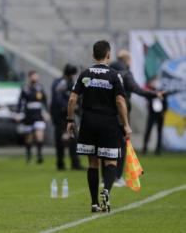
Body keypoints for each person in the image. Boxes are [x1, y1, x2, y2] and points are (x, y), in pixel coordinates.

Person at [67, 40, 131, 213]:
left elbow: (73, 99)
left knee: (93, 162)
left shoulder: (85, 73)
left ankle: (94, 203)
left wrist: (70, 120)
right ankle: (106, 191)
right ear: (108, 55)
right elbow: (120, 101)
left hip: (88, 121)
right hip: (108, 123)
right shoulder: (114, 75)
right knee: (111, 161)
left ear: (93, 55)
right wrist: (126, 125)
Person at [110, 50, 162, 186]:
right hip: (121, 115)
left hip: (106, 114)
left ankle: (106, 178)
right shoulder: (126, 74)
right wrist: (155, 94)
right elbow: (138, 90)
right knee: (121, 145)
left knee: (107, 147)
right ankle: (117, 177)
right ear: (126, 59)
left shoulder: (108, 73)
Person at [50, 64, 83, 171]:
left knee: (73, 139)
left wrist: (77, 109)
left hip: (69, 115)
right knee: (60, 140)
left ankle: (75, 163)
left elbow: (76, 97)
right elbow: (57, 99)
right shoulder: (60, 83)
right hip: (60, 116)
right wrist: (69, 107)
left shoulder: (70, 83)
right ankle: (60, 163)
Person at [17, 71, 48, 164]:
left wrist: (46, 112)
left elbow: (44, 101)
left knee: (39, 135)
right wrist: (19, 114)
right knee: (29, 137)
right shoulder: (25, 88)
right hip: (28, 115)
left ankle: (39, 155)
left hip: (38, 114)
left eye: (36, 76)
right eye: (34, 76)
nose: (35, 78)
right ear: (30, 77)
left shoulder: (40, 87)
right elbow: (21, 102)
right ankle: (29, 155)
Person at [142, 76, 167, 155]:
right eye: (154, 81)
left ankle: (158, 150)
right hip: (152, 113)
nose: (155, 83)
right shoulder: (150, 91)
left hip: (160, 114)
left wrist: (164, 112)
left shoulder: (162, 91)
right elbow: (147, 100)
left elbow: (165, 102)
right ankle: (144, 149)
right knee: (148, 131)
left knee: (159, 132)